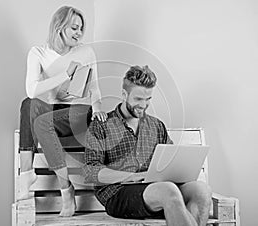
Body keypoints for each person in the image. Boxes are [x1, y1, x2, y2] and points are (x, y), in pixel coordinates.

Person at [83, 65, 212, 226]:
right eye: (138, 99)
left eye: (148, 99)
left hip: (157, 189)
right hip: (118, 193)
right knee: (169, 191)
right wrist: (132, 176)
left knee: (202, 191)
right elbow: (91, 172)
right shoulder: (101, 125)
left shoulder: (156, 125)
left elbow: (170, 159)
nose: (143, 105)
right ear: (124, 94)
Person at [18, 6, 107, 217]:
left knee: (40, 121)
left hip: (77, 112)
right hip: (51, 113)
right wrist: (65, 75)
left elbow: (95, 88)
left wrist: (98, 109)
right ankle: (30, 175)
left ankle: (63, 190)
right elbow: (32, 91)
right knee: (27, 105)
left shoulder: (86, 52)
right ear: (59, 27)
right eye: (74, 28)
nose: (79, 33)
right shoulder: (38, 53)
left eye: (81, 29)